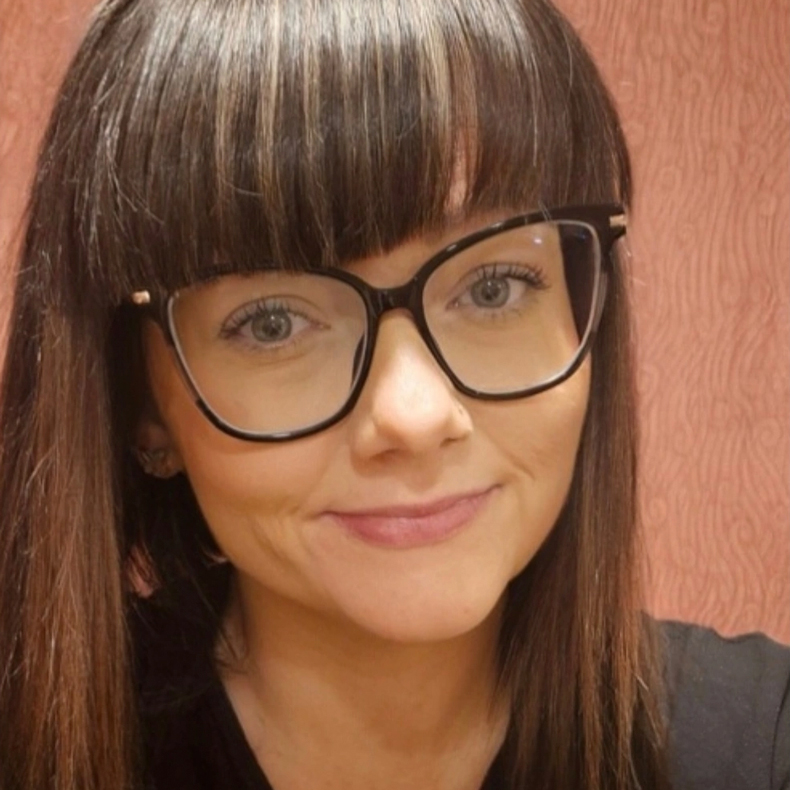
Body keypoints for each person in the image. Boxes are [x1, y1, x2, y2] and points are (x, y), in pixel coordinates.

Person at [0, 0, 787, 789]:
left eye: (493, 286)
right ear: (143, 400)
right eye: (273, 322)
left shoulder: (756, 747)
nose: (413, 417)